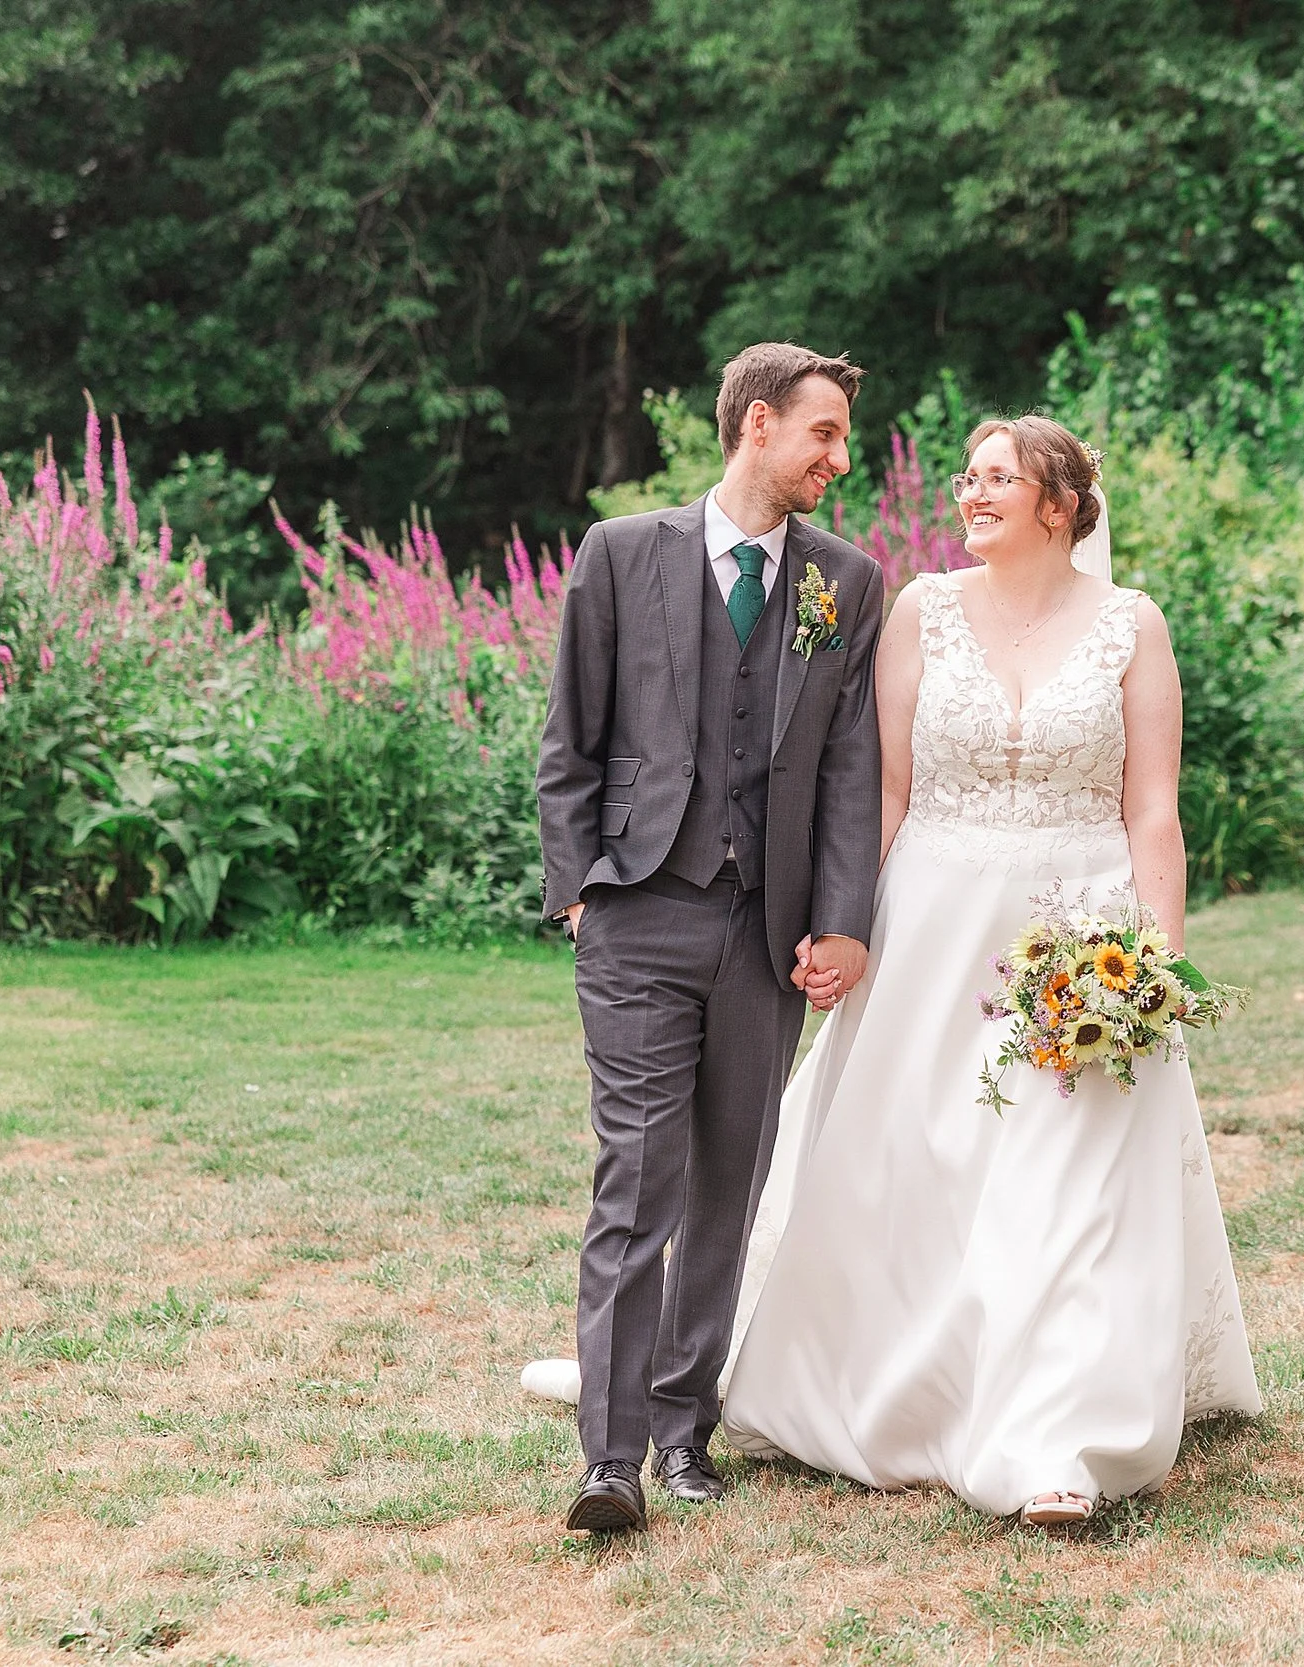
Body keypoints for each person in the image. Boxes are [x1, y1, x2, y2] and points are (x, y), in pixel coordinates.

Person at [717, 414, 1260, 1524]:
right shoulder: (922, 610)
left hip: (1080, 934)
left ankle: (1052, 1440)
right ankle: (912, 1388)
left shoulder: (1131, 624)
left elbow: (1152, 811)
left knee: (1067, 1182)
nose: (969, 493)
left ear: (1059, 503)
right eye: (966, 477)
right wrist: (841, 921)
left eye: (997, 479)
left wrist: (1156, 968)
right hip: (932, 927)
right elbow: (885, 790)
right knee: (923, 1162)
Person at [534, 342, 886, 1535]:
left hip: (765, 933)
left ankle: (685, 1430)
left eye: (844, 439)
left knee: (727, 1184)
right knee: (637, 1178)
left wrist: (841, 920)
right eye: (824, 434)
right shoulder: (621, 553)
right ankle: (611, 1457)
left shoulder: (846, 581)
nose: (840, 460)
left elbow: (849, 769)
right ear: (757, 424)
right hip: (637, 911)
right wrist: (580, 890)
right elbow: (570, 741)